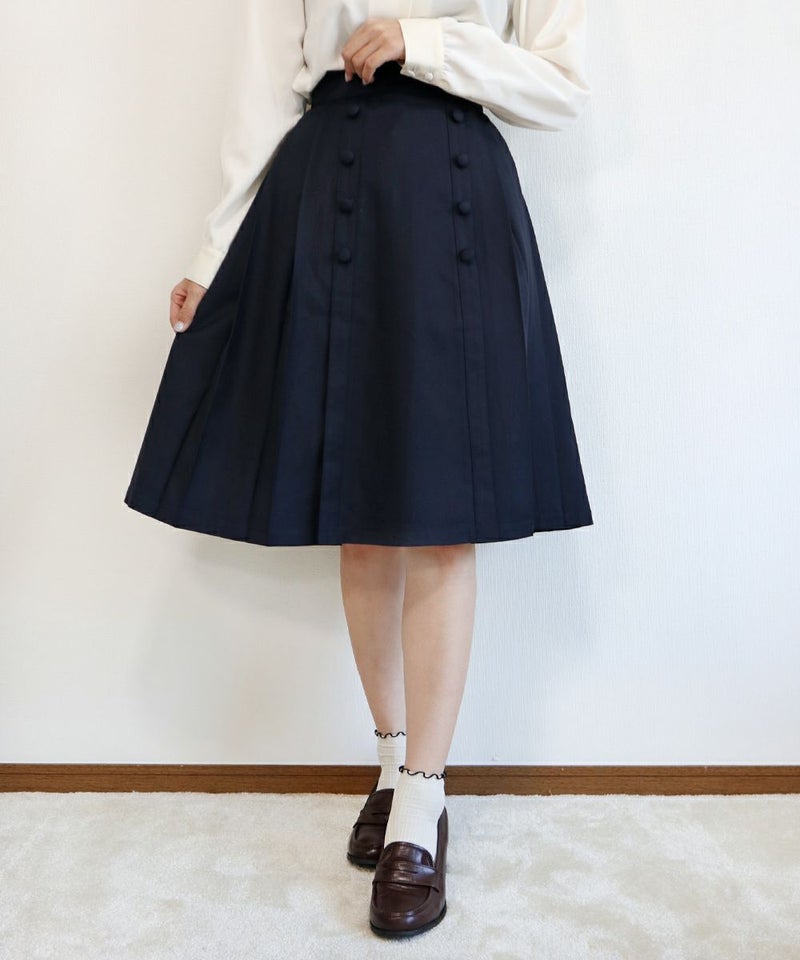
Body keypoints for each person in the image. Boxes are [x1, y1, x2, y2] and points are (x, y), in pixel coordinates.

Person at [124, 0, 594, 940]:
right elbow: (266, 87)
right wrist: (214, 253)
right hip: (324, 190)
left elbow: (561, 84)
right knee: (363, 513)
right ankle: (392, 765)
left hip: (455, 201)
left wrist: (428, 41)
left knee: (443, 517)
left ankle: (424, 798)